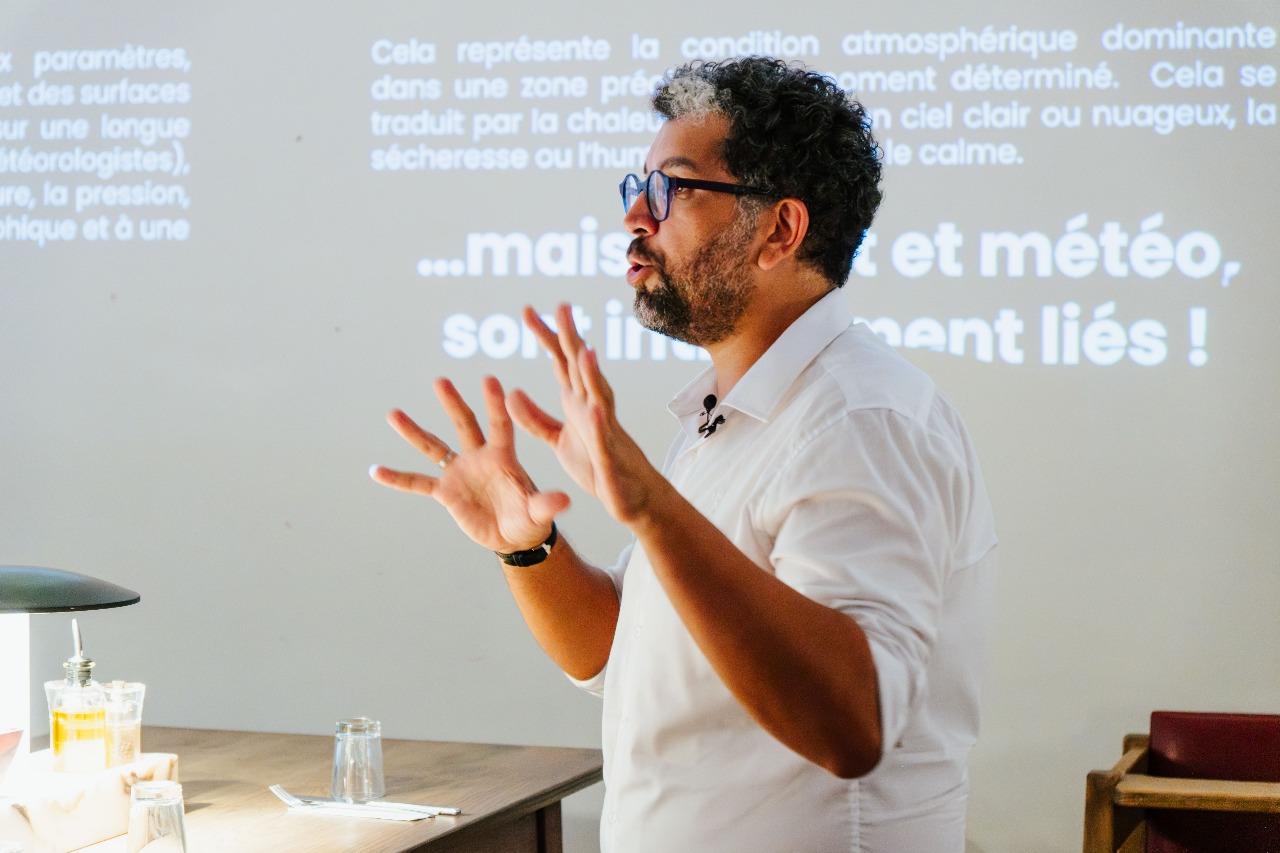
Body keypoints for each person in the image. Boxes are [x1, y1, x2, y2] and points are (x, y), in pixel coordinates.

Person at [371, 56, 997, 852]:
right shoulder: (728, 418)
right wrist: (529, 547)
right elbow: (620, 651)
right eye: (636, 187)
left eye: (670, 188)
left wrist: (654, 509)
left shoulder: (862, 419)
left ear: (779, 230)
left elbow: (853, 721)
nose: (635, 215)